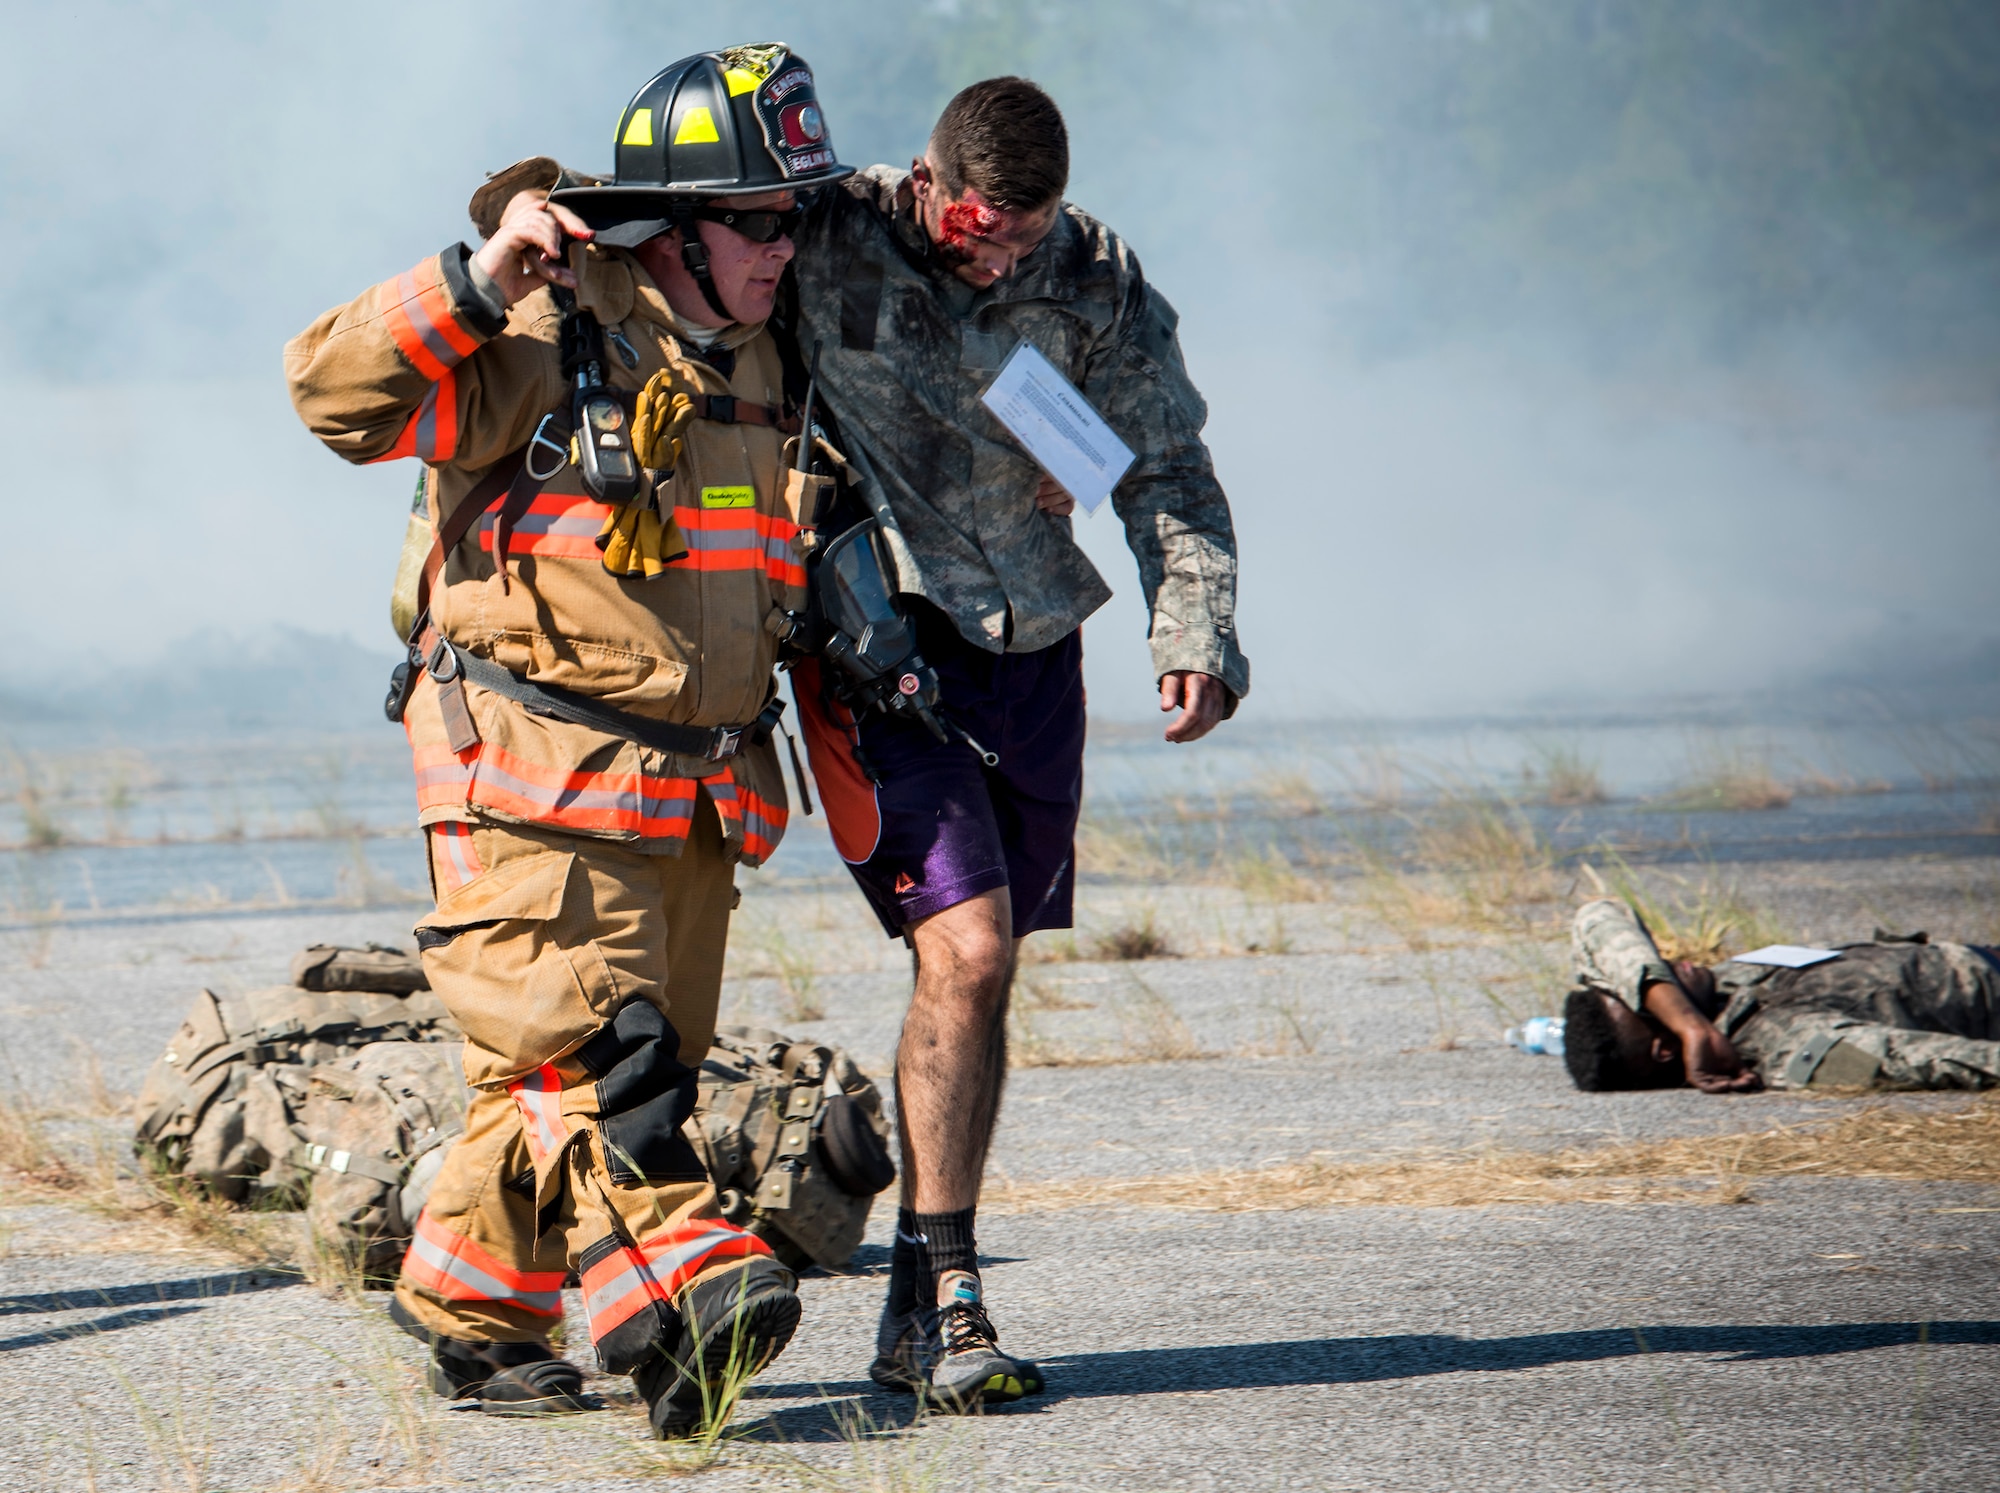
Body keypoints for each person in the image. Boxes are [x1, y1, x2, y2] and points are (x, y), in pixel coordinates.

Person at [480, 68, 1250, 1411]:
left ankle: (909, 1316)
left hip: (1029, 648)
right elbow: (665, 222)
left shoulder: (1094, 276)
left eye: (1029, 234)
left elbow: (1165, 461)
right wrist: (531, 209)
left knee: (990, 974)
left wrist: (1196, 628)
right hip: (874, 650)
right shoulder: (829, 227)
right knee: (969, 949)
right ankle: (957, 1303)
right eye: (979, 233)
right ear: (932, 187)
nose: (1001, 257)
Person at [283, 46, 854, 1437]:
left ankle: (469, 1315)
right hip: (523, 772)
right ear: (676, 223)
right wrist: (476, 282)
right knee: (607, 1068)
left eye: (797, 219)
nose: (786, 246)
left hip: (693, 784)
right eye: (760, 219)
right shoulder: (540, 334)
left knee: (544, 1075)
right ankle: (687, 1312)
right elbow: (330, 396)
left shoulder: (765, 357)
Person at [1562, 898, 2000, 1094]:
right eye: (1649, 1000)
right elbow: (1937, 1060)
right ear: (1663, 1051)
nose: (1665, 973)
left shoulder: (1721, 991)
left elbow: (1599, 914)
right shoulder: (1789, 1048)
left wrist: (1690, 1025)